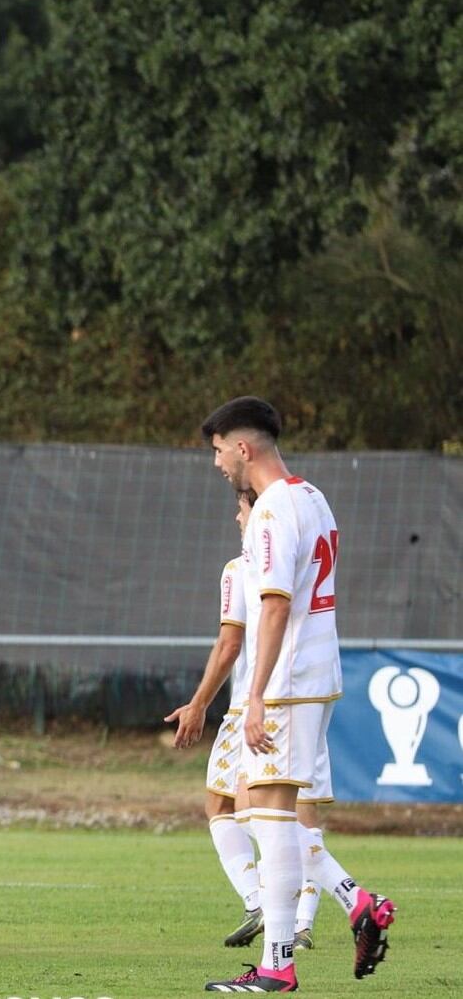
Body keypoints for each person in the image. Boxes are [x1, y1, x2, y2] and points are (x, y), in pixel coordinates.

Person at [199, 397, 395, 993]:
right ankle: (354, 904)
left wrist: (254, 695)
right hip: (311, 676)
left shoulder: (273, 510)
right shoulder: (314, 497)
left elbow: (277, 603)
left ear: (242, 447)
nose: (217, 466)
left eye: (216, 452)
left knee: (271, 818)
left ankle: (278, 965)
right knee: (265, 814)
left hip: (285, 684)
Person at [165, 488, 264, 948]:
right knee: (279, 811)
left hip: (253, 702)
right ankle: (289, 912)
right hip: (303, 694)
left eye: (242, 508)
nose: (235, 517)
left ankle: (268, 901)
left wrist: (200, 702)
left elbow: (230, 643)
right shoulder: (301, 561)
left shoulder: (241, 568)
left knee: (232, 807)